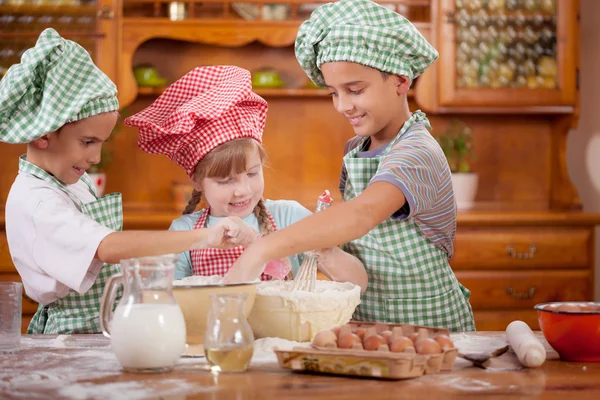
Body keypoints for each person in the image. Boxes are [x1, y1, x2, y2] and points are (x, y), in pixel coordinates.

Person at [225, 0, 475, 332]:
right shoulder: (357, 149)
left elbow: (360, 215)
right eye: (333, 93)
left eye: (355, 90)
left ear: (401, 80)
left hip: (426, 324)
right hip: (368, 321)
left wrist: (260, 251)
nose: (343, 105)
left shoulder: (417, 152)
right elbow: (357, 240)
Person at [0, 29, 254, 334]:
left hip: (102, 325)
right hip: (71, 334)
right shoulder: (37, 200)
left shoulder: (68, 183)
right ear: (43, 134)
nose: (95, 157)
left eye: (100, 143)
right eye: (88, 141)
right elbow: (107, 248)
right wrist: (204, 236)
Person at [124, 65, 367, 290]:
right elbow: (172, 299)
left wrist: (324, 250)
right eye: (225, 181)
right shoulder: (185, 231)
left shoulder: (289, 216)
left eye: (252, 173)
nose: (242, 190)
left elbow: (358, 283)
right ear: (197, 181)